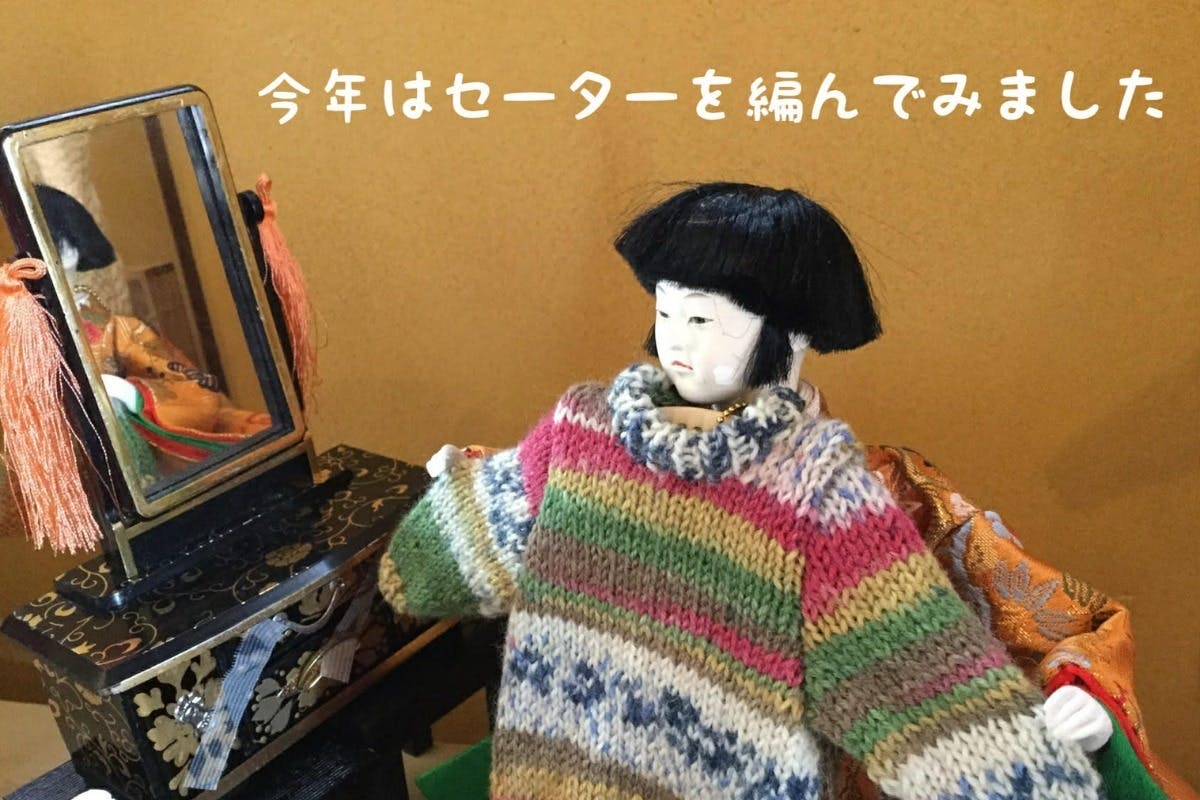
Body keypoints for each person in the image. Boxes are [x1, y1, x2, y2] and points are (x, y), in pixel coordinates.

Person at [380, 183, 1105, 799]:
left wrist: (1032, 769)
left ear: (791, 335)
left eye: (702, 319)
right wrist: (450, 503)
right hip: (554, 771)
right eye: (666, 312)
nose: (676, 340)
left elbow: (910, 681)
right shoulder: (582, 434)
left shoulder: (817, 498)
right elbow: (431, 565)